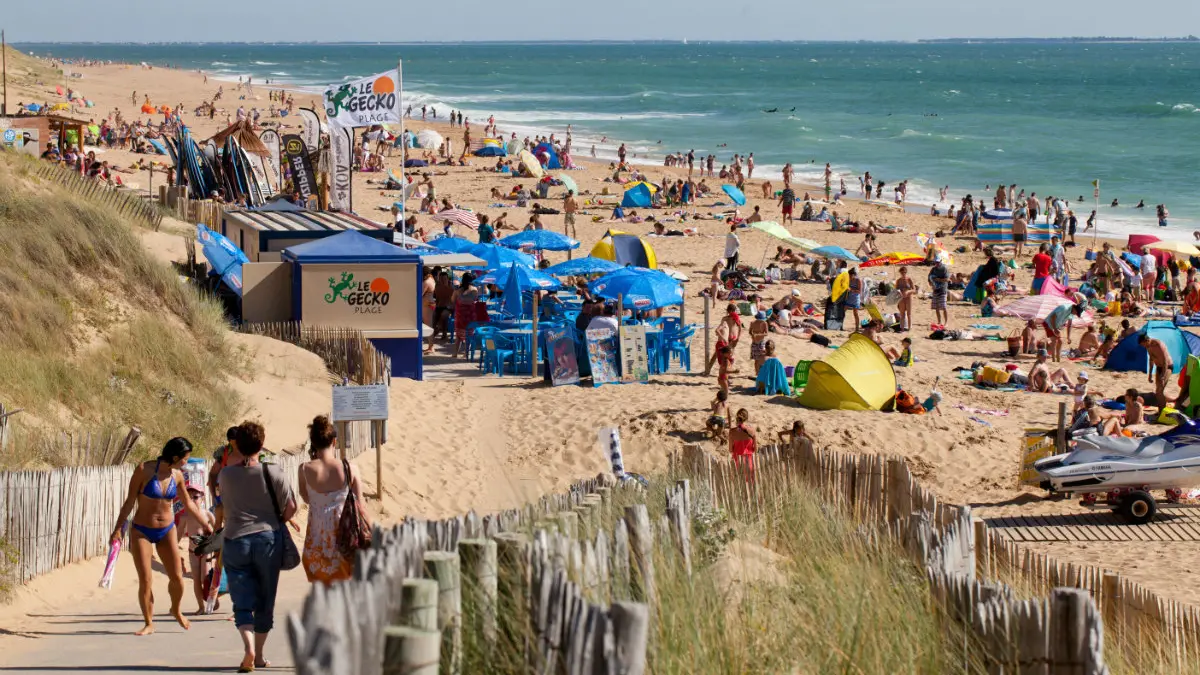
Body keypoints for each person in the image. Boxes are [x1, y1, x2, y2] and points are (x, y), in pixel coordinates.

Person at [110, 438, 212, 635]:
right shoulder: (144, 470)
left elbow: (189, 504)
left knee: (177, 577)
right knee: (146, 579)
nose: (186, 463)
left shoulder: (178, 475)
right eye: (185, 459)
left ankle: (176, 609)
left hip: (167, 530)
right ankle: (149, 623)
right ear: (175, 457)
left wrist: (205, 524)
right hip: (142, 531)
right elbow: (130, 501)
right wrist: (117, 529)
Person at [219, 421, 298, 673]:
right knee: (265, 599)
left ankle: (248, 648)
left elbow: (224, 504)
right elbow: (291, 508)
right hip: (267, 539)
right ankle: (260, 654)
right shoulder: (273, 472)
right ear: (261, 445)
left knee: (241, 600)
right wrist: (275, 521)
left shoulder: (226, 474)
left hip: (235, 539)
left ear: (237, 445)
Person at [299, 415, 369, 586]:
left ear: (313, 443)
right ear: (334, 442)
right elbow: (361, 506)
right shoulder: (350, 468)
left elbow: (307, 498)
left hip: (315, 542)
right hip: (344, 540)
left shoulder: (304, 470)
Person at [451, 272, 480, 358]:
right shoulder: (475, 290)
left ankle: (455, 353)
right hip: (470, 316)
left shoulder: (458, 291)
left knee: (458, 336)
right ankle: (466, 353)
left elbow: (452, 300)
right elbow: (475, 300)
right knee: (469, 335)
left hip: (460, 315)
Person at [1140, 333, 1174, 406]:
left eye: (1144, 344)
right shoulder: (1148, 346)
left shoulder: (1158, 344)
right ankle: (1160, 409)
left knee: (1160, 390)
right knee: (1158, 392)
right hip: (1159, 367)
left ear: (1147, 340)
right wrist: (1150, 375)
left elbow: (1165, 361)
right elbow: (1151, 360)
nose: (1144, 346)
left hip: (1167, 367)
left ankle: (1162, 409)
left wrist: (1163, 375)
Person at [928, 261, 950, 328]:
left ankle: (946, 322)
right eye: (935, 262)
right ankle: (939, 321)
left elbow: (947, 279)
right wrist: (931, 284)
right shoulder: (933, 269)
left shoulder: (944, 268)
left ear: (940, 261)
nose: (936, 264)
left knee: (944, 307)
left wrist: (938, 279)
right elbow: (929, 278)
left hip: (943, 290)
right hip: (935, 290)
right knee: (936, 307)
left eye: (937, 262)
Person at [895, 266, 916, 331]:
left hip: (908, 297)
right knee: (902, 314)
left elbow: (914, 290)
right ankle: (902, 328)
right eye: (902, 273)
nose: (903, 274)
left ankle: (910, 328)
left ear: (906, 272)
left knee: (909, 314)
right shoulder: (898, 280)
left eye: (904, 272)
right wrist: (899, 292)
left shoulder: (909, 279)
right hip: (901, 298)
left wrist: (908, 291)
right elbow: (896, 290)